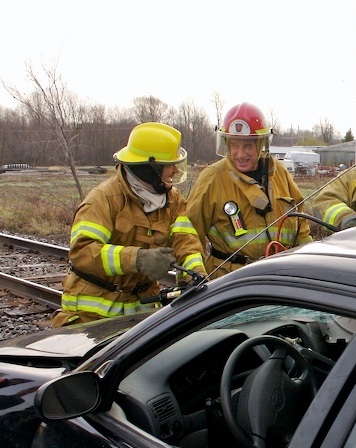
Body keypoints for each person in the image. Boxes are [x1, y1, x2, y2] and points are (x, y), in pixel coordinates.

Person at [52, 123, 207, 327]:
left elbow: (185, 243)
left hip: (141, 310)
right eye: (170, 165)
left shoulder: (173, 200)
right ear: (150, 169)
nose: (176, 170)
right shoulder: (103, 199)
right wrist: (137, 259)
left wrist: (196, 275)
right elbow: (82, 252)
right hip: (92, 314)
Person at [187, 102, 311, 279]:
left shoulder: (279, 173)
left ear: (261, 145)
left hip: (281, 277)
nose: (240, 154)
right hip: (230, 281)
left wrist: (308, 262)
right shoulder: (213, 178)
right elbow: (188, 233)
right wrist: (195, 275)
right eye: (234, 145)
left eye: (248, 146)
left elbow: (301, 223)